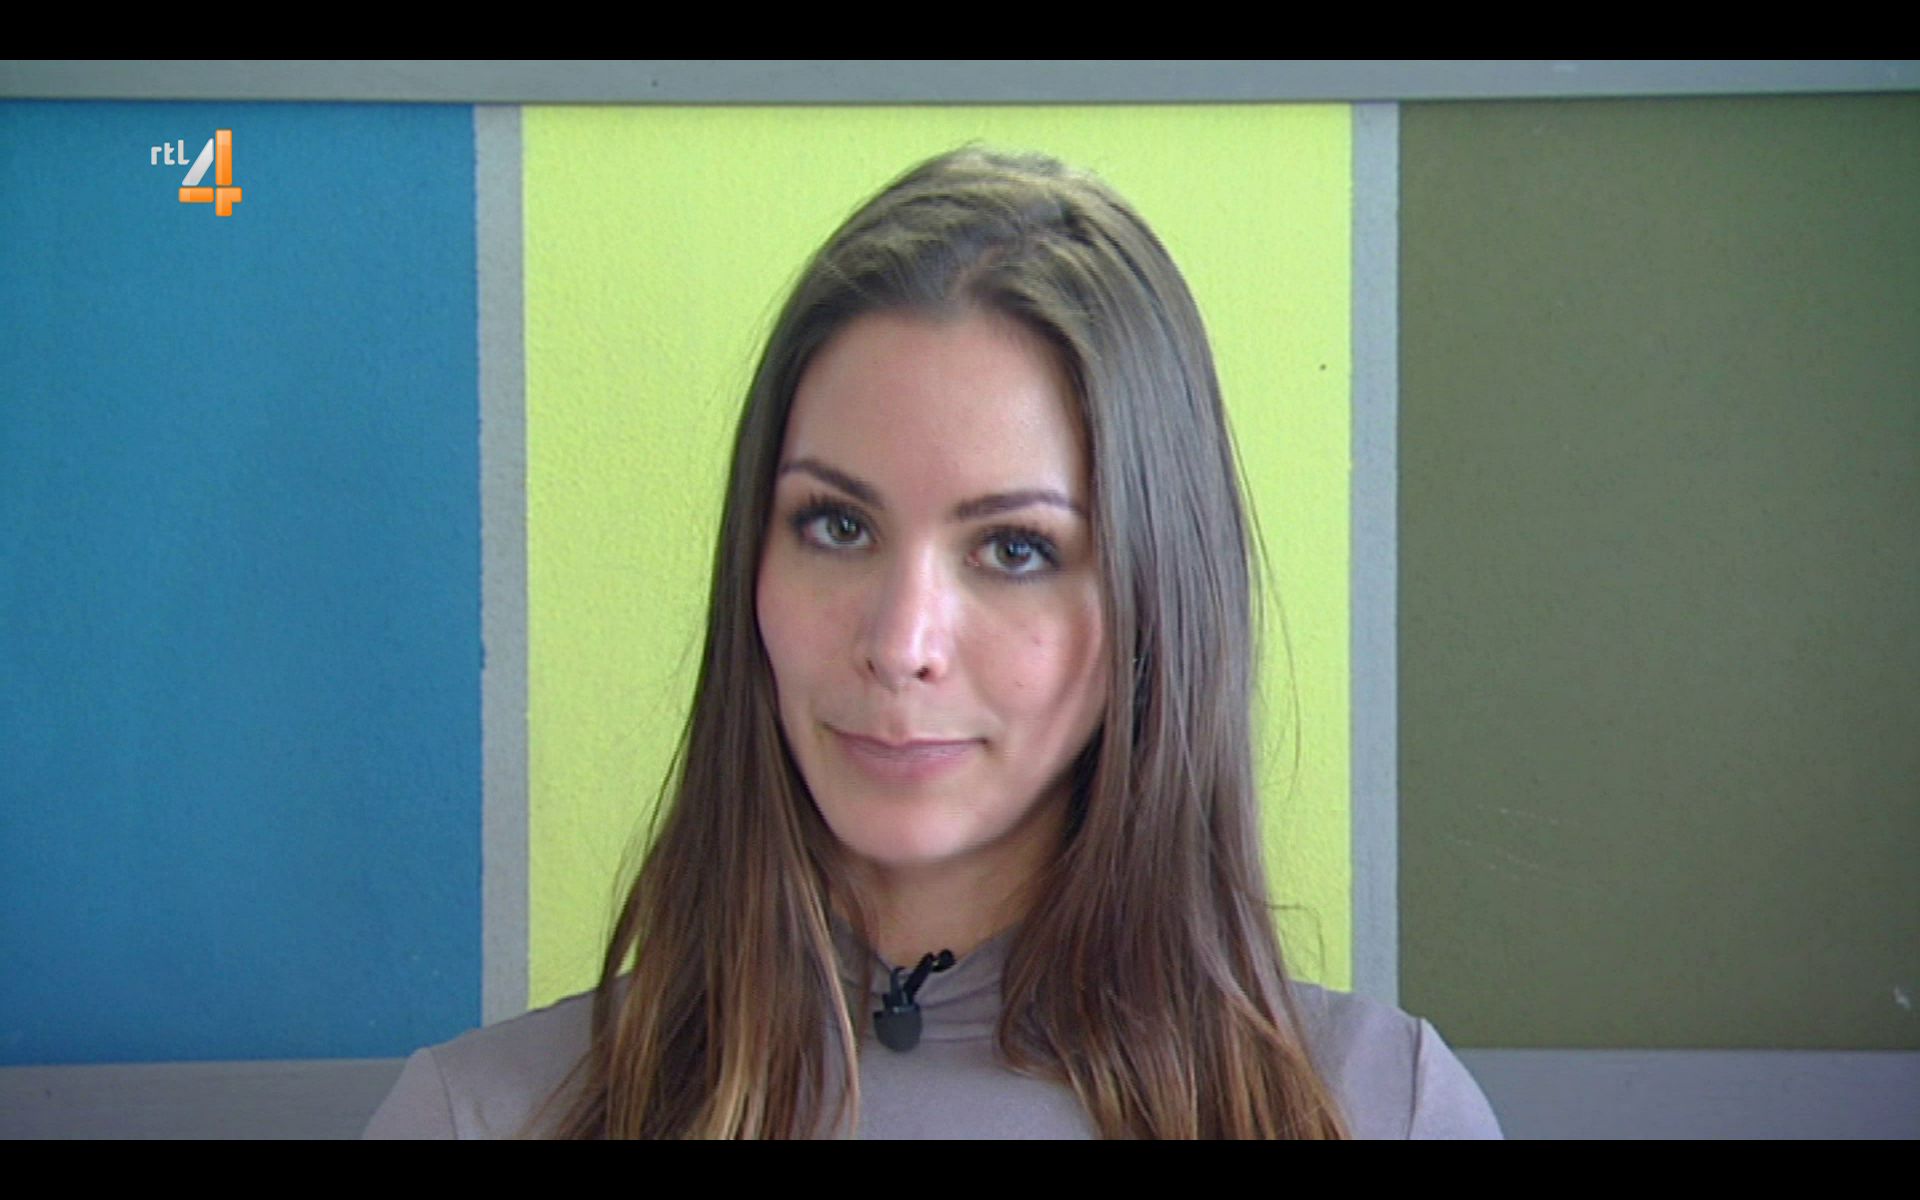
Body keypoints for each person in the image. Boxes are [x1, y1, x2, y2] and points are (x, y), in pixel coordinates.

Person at [365, 146, 1503, 1139]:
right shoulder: (484, 1116)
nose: (901, 643)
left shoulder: (1377, 1110)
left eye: (1013, 548)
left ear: (1156, 601)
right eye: (838, 525)